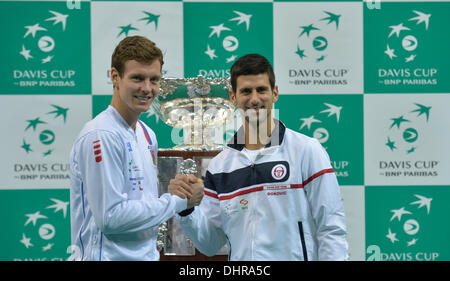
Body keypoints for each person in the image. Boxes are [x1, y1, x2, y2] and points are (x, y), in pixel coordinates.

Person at [169, 54, 349, 261]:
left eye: (261, 90)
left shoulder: (306, 150)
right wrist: (187, 210)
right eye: (246, 91)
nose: (254, 99)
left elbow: (331, 228)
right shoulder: (219, 166)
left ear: (275, 93)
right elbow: (209, 244)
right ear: (233, 98)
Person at [69, 36, 203, 261]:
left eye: (154, 79)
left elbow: (141, 204)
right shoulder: (101, 134)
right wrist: (179, 201)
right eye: (137, 78)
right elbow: (110, 218)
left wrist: (177, 191)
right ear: (115, 77)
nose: (147, 88)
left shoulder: (147, 134)